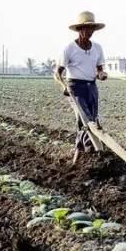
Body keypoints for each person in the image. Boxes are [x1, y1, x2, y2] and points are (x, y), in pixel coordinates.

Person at [54, 11, 108, 165]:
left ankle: (78, 156)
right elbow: (57, 73)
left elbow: (99, 70)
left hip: (91, 87)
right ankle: (94, 151)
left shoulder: (97, 48)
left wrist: (101, 74)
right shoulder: (69, 48)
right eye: (85, 29)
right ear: (79, 30)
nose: (89, 32)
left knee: (91, 120)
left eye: (91, 29)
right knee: (86, 121)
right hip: (75, 88)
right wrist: (64, 86)